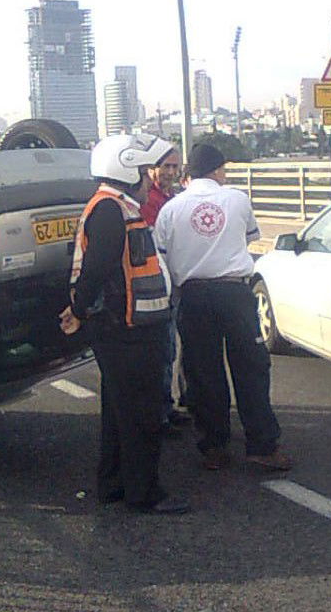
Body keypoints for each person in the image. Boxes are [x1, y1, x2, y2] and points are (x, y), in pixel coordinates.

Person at [60, 133, 189, 515]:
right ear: (125, 169)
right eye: (144, 171)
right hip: (125, 328)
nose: (150, 179)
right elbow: (98, 267)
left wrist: (81, 310)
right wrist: (79, 310)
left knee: (119, 411)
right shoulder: (110, 210)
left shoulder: (117, 207)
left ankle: (114, 483)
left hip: (124, 326)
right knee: (141, 412)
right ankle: (143, 492)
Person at [154, 142, 293, 472]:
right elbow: (247, 237)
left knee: (203, 373)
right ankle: (261, 444)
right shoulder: (236, 199)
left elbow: (161, 253)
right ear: (217, 170)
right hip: (234, 294)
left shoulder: (171, 209)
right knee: (251, 369)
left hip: (192, 295)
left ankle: (214, 446)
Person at [140, 147, 191, 432]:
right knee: (163, 349)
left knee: (173, 349)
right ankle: (159, 413)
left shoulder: (172, 199)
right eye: (166, 167)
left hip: (175, 280)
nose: (171, 172)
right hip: (158, 287)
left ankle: (168, 406)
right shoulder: (148, 201)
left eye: (175, 167)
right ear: (152, 168)